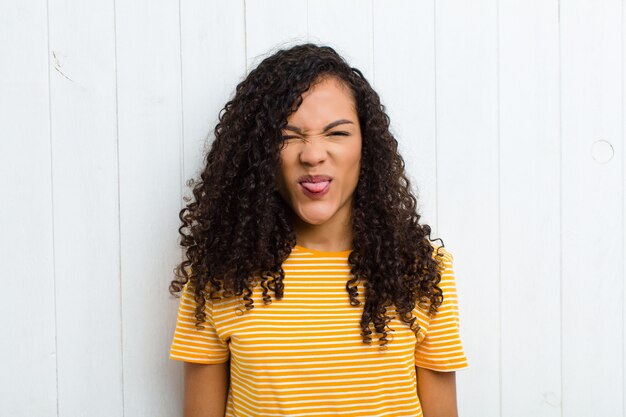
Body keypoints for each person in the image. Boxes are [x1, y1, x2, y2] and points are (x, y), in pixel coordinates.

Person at [168, 43, 469, 417]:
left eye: (336, 134)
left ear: (367, 146)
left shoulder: (421, 270)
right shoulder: (221, 271)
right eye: (288, 135)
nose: (311, 154)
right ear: (259, 153)